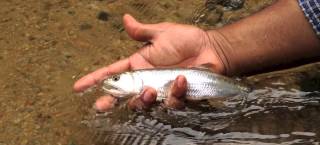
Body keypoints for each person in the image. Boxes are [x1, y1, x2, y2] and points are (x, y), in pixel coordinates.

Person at [74, 0, 320, 111]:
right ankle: (247, 92)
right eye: (116, 80)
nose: (112, 80)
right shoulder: (142, 82)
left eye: (117, 79)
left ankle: (247, 92)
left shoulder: (144, 79)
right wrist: (218, 47)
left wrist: (218, 48)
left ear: (134, 78)